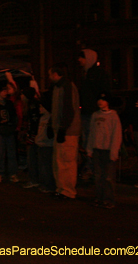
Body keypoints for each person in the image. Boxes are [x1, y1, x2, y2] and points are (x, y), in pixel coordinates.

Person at [77, 49, 111, 180]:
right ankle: (90, 166)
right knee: (87, 141)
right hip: (86, 111)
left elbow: (103, 92)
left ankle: (93, 167)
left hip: (92, 112)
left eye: (82, 57)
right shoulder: (86, 74)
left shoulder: (96, 74)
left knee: (92, 141)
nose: (79, 60)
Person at [48, 63, 81, 200]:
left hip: (68, 131)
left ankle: (67, 190)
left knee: (66, 161)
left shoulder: (66, 87)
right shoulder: (58, 87)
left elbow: (68, 109)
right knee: (59, 161)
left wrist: (63, 128)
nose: (49, 77)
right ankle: (61, 188)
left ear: (56, 74)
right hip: (62, 129)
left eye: (50, 74)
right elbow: (57, 110)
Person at [87, 92, 122, 208]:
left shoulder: (113, 117)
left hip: (108, 150)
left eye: (103, 100)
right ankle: (98, 197)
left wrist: (114, 151)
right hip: (97, 149)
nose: (100, 102)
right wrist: (89, 148)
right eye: (99, 100)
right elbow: (92, 133)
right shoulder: (95, 115)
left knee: (108, 177)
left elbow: (116, 135)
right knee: (98, 175)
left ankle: (109, 199)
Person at [0, 83, 19, 183]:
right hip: (0, 131)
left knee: (11, 153)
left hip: (9, 131)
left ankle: (12, 174)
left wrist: (12, 126)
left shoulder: (9, 104)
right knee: (0, 153)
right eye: (3, 91)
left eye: (6, 91)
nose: (5, 92)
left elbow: (14, 116)